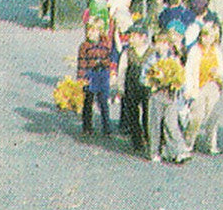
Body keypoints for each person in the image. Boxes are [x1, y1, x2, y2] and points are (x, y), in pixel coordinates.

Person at [145, 27, 192, 163]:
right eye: (158, 43)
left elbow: (180, 77)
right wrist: (153, 81)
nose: (161, 46)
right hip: (156, 95)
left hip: (170, 96)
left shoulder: (174, 59)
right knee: (154, 124)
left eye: (165, 43)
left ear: (169, 45)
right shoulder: (151, 60)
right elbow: (144, 77)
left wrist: (182, 88)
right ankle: (154, 151)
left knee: (171, 124)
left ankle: (180, 151)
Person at [184, 20, 223, 154]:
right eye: (205, 36)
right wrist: (189, 89)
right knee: (196, 116)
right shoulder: (195, 50)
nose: (207, 39)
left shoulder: (216, 50)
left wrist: (217, 72)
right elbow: (189, 71)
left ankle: (211, 144)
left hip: (212, 84)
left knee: (212, 115)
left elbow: (222, 70)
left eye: (210, 37)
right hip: (198, 86)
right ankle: (188, 142)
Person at [76, 17, 116, 137]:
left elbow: (109, 58)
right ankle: (87, 126)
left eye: (94, 30)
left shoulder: (105, 44)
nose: (91, 33)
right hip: (90, 73)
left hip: (102, 74)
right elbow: (82, 62)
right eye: (89, 30)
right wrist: (81, 78)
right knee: (88, 101)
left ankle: (107, 127)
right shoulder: (84, 46)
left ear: (100, 31)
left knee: (103, 102)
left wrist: (110, 71)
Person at [118, 23, 153, 152]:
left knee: (148, 114)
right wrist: (121, 87)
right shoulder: (127, 53)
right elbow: (122, 70)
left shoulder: (151, 52)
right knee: (132, 114)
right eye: (130, 36)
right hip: (131, 86)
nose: (130, 39)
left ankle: (149, 138)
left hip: (147, 88)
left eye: (134, 36)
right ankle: (136, 140)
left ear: (143, 37)